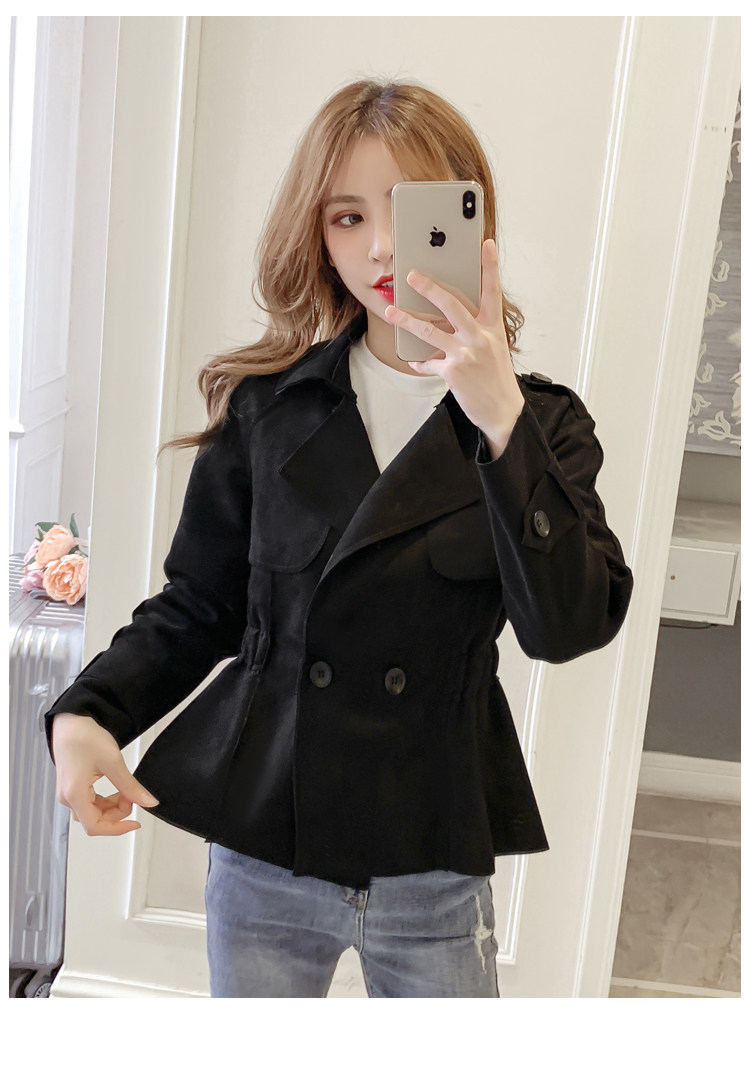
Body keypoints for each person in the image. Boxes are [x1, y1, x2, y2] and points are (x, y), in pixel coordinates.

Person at [45, 79, 633, 998]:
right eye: (348, 217)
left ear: (471, 217)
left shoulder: (542, 426)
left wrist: (499, 419)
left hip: (432, 855)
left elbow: (566, 629)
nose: (382, 246)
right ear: (319, 238)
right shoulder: (270, 410)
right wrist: (90, 709)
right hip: (267, 847)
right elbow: (199, 605)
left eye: (409, 209)